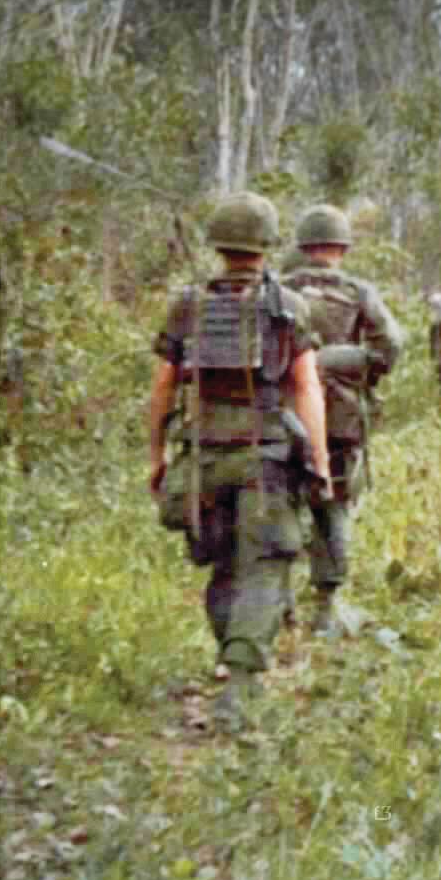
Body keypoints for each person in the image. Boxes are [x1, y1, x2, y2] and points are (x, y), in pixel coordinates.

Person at [146, 193, 330, 732]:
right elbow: (306, 387)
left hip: (202, 457)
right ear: (268, 243)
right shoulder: (288, 306)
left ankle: (231, 657)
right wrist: (319, 461)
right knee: (264, 566)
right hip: (264, 459)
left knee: (224, 564)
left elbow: (162, 388)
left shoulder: (187, 305)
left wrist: (156, 455)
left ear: (218, 243)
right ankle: (242, 682)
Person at [282, 203, 407, 638]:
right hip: (339, 416)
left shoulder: (278, 290)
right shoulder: (357, 292)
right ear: (342, 247)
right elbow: (390, 347)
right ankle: (326, 606)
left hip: (282, 416)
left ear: (303, 245)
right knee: (332, 505)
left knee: (281, 503)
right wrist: (347, 363)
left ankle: (281, 605)